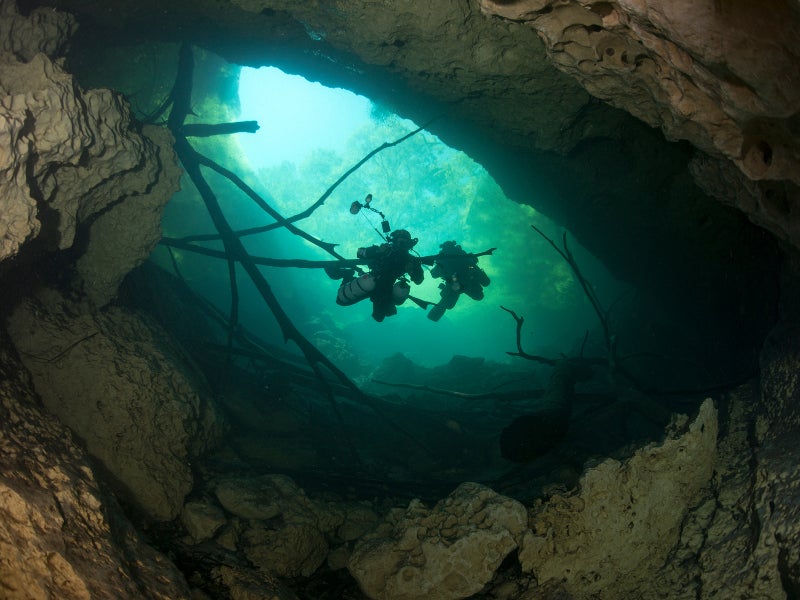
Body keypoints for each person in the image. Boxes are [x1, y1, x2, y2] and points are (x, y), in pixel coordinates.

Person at [336, 229, 424, 322]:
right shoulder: (384, 250)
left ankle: (348, 276)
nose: (402, 246)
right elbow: (359, 252)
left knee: (381, 315)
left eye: (405, 243)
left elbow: (419, 280)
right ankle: (347, 275)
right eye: (400, 242)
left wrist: (411, 271)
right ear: (394, 241)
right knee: (341, 300)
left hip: (387, 287)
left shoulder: (412, 261)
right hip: (370, 279)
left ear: (409, 244)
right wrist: (377, 251)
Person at [427, 240, 490, 321]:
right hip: (463, 281)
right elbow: (474, 263)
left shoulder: (445, 258)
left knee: (448, 303)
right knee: (449, 304)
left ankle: (434, 315)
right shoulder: (458, 255)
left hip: (459, 282)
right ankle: (434, 315)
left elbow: (434, 274)